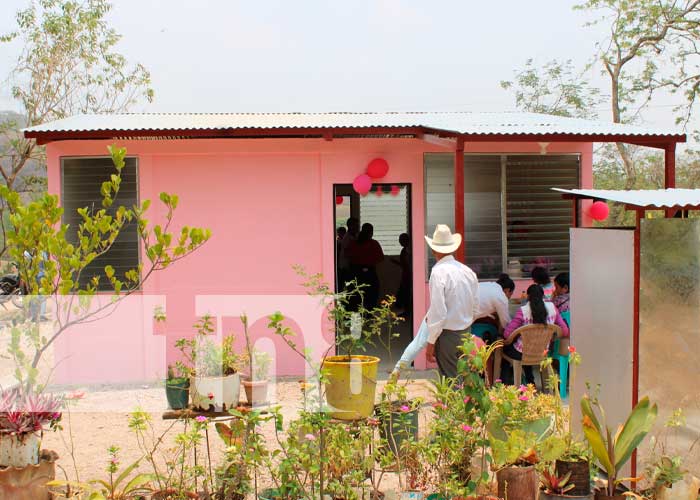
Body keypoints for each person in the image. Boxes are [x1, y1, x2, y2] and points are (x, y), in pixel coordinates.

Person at [393, 275, 513, 375]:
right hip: (453, 321)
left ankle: (397, 370)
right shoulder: (501, 297)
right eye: (510, 295)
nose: (508, 298)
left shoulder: (489, 285)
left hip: (440, 310)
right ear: (507, 290)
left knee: (418, 343)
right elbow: (506, 323)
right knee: (453, 356)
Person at [423, 224, 479, 378]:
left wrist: (431, 342)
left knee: (450, 380)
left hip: (447, 334)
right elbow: (475, 307)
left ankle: (452, 403)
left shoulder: (438, 273)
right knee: (465, 377)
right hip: (466, 331)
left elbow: (438, 312)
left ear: (434, 250)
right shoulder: (468, 271)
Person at [502, 284, 569, 384]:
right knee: (526, 349)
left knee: (504, 348)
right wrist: (552, 335)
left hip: (522, 353)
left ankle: (507, 383)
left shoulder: (523, 311)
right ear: (543, 296)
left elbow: (507, 334)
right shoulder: (552, 308)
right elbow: (565, 331)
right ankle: (530, 381)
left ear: (528, 296)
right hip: (543, 352)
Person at [347, 223, 384, 309]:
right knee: (371, 295)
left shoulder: (353, 243)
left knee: (356, 295)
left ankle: (356, 315)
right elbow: (380, 258)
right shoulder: (374, 243)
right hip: (369, 272)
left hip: (355, 272)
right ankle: (368, 315)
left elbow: (348, 256)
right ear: (371, 232)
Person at [391, 233, 412, 316]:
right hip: (406, 275)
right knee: (404, 293)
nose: (400, 242)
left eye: (401, 240)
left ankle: (408, 312)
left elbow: (409, 264)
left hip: (410, 275)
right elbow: (404, 265)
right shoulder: (404, 250)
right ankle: (406, 311)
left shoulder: (411, 250)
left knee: (406, 294)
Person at [338, 217, 359, 289]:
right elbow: (347, 254)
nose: (357, 227)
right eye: (356, 225)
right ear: (350, 226)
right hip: (346, 269)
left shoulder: (355, 236)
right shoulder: (347, 239)